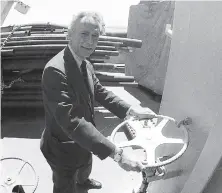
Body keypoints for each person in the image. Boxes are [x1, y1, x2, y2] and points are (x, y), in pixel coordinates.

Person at [40, 11, 156, 193]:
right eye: (84, 34)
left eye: (95, 36)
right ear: (69, 35)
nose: (90, 41)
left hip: (86, 141)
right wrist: (117, 155)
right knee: (64, 185)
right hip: (63, 148)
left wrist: (131, 110)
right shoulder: (55, 71)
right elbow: (72, 122)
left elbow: (100, 92)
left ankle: (83, 181)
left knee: (85, 167)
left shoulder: (85, 63)